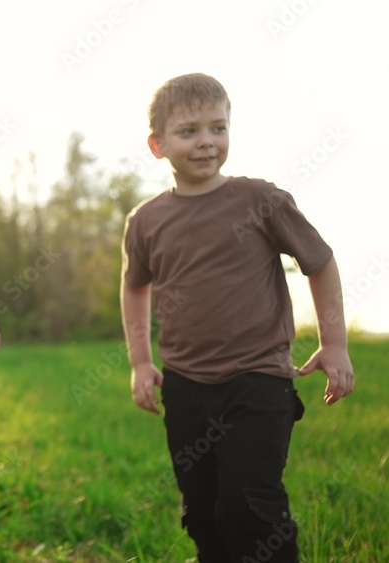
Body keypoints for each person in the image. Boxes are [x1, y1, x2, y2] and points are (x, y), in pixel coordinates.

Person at [120, 73, 355, 562]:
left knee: (251, 506)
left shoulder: (261, 201)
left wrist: (334, 343)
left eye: (218, 127)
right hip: (185, 386)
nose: (207, 141)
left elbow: (320, 261)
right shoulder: (146, 221)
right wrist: (141, 362)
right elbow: (134, 287)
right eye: (189, 131)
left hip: (259, 380)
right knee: (203, 511)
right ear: (157, 144)